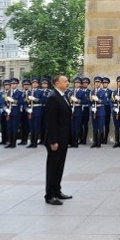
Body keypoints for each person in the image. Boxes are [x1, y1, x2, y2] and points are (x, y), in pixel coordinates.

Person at [43, 75, 72, 205]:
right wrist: (53, 141)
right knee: (53, 167)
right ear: (56, 83)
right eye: (65, 81)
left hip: (63, 138)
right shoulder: (53, 98)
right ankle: (50, 195)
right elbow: (50, 122)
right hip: (56, 140)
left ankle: (57, 190)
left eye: (67, 81)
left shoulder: (62, 96)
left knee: (59, 166)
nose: (67, 83)